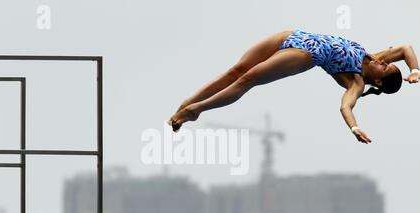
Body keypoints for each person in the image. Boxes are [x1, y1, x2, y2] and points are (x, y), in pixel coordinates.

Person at [168, 29, 420, 144]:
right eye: (386, 62)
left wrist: (354, 127)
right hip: (293, 35)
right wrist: (415, 71)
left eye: (385, 67)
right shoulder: (372, 56)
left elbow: (346, 106)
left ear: (377, 81)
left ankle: (197, 110)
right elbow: (406, 48)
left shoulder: (354, 82)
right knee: (236, 70)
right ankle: (186, 104)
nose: (382, 61)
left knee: (248, 79)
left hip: (305, 54)